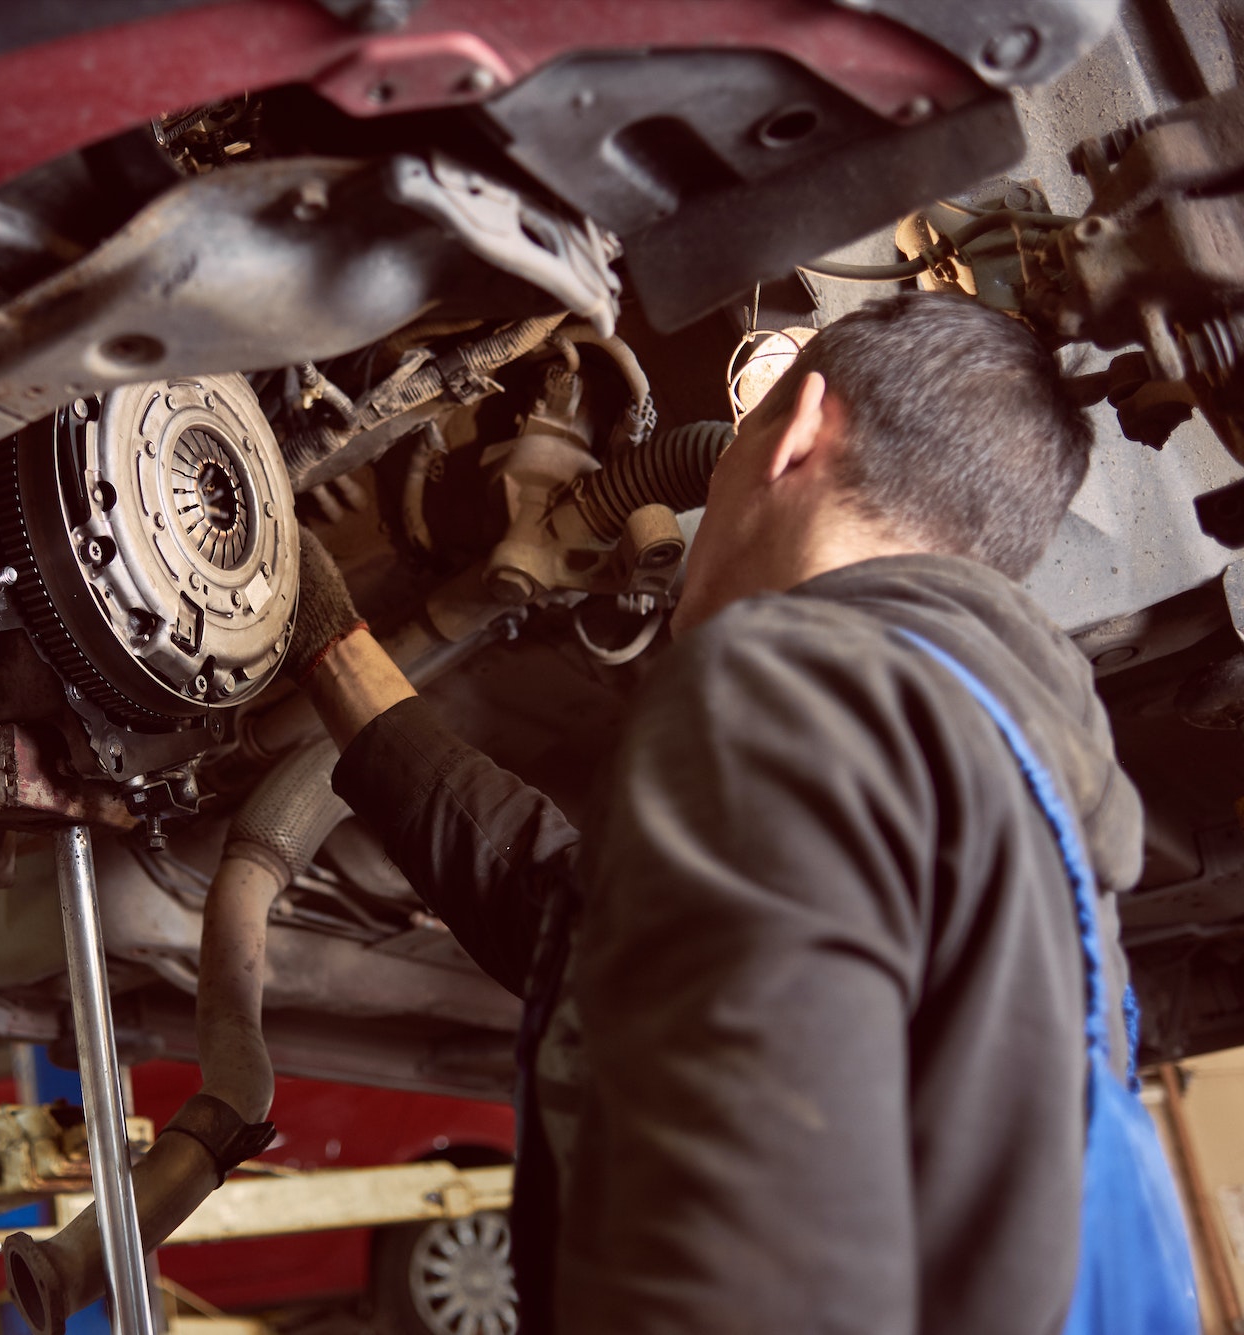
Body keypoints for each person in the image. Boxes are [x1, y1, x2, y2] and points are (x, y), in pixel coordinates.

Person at [287, 292, 1193, 1333]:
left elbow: (731, 1279)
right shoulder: (1031, 831)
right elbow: (579, 933)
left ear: (799, 429)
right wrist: (337, 660)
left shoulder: (798, 683)